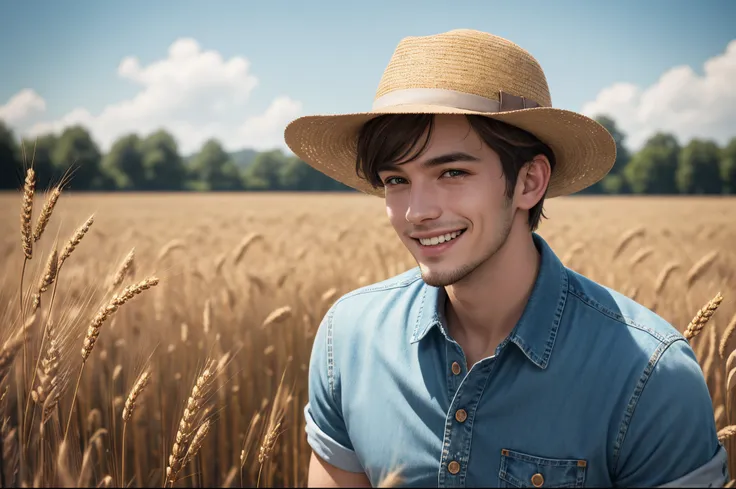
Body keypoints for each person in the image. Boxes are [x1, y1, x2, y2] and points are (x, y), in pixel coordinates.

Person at [284, 29, 728, 488]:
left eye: (452, 172)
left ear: (529, 182)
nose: (416, 212)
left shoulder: (649, 375)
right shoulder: (349, 338)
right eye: (396, 180)